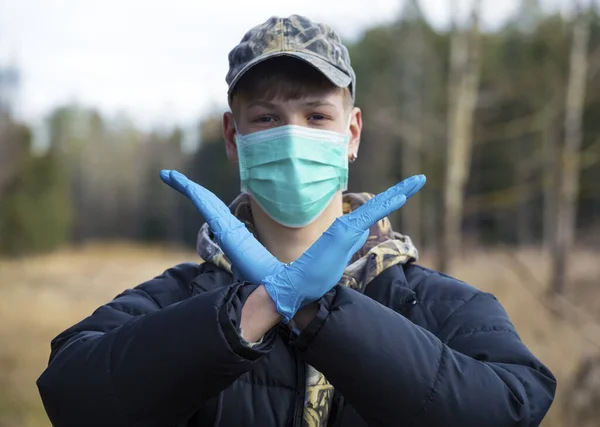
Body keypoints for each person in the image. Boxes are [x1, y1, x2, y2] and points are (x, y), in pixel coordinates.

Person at [37, 14, 556, 427]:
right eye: (265, 118)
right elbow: (72, 395)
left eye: (316, 117)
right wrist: (256, 309)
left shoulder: (443, 305)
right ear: (232, 137)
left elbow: (511, 404)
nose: (291, 137)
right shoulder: (176, 299)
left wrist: (317, 310)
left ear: (351, 134)